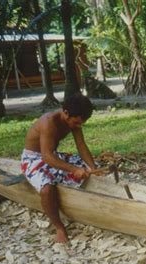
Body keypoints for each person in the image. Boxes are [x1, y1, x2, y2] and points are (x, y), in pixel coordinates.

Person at [21, 93, 98, 243]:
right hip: (33, 158)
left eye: (81, 124)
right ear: (66, 113)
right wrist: (74, 170)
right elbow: (47, 157)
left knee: (89, 168)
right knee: (47, 189)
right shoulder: (48, 122)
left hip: (51, 155)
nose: (78, 126)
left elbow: (81, 147)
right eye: (76, 123)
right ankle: (58, 227)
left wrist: (93, 168)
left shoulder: (74, 120)